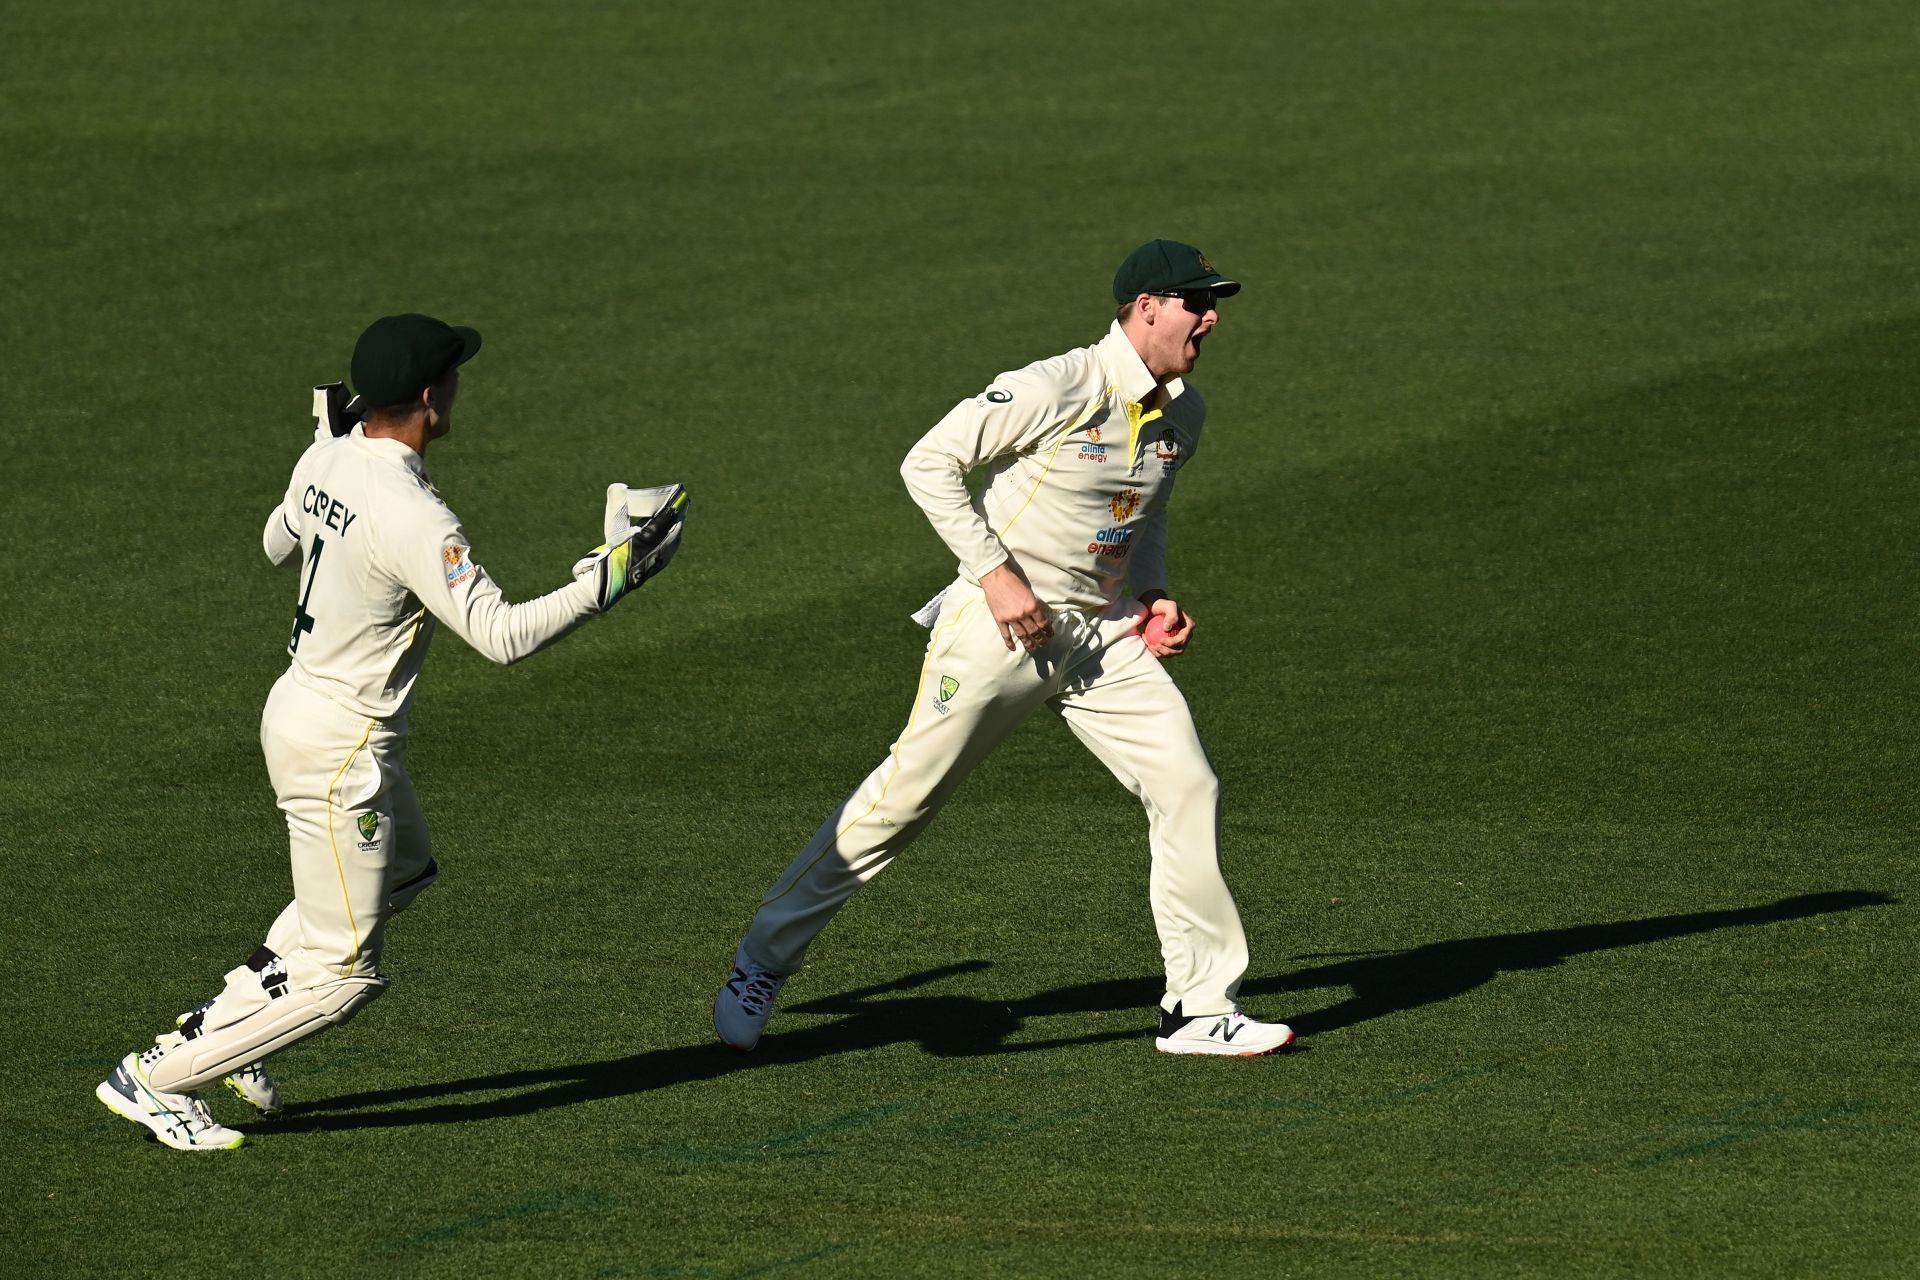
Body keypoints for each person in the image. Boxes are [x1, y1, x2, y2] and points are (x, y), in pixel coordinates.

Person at [95, 314, 688, 1150]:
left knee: (404, 869)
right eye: (453, 375)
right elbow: (502, 636)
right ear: (426, 398)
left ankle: (240, 1021)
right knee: (346, 978)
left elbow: (277, 543)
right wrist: (613, 576)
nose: (457, 387)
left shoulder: (327, 454)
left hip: (299, 709)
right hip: (342, 751)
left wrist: (319, 456)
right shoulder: (415, 515)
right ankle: (154, 1077)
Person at [713, 241, 1294, 1058]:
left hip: (1100, 637)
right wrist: (996, 577)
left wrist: (1153, 593)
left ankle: (1199, 1007)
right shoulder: (1058, 385)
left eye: (1213, 301)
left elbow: (1146, 512)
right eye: (1196, 301)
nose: (1212, 316)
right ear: (1146, 307)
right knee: (904, 803)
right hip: (1001, 629)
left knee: (1188, 785)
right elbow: (929, 462)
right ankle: (761, 961)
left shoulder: (1183, 413)